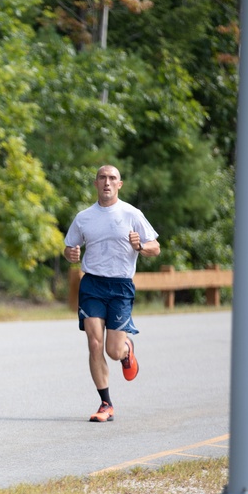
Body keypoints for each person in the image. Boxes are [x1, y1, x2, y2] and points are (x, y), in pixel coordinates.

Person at [63, 164, 160, 422]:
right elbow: (69, 247)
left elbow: (156, 247)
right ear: (95, 183)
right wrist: (70, 253)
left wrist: (141, 246)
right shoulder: (84, 217)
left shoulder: (131, 213)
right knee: (94, 343)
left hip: (120, 287)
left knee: (112, 351)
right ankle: (105, 403)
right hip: (92, 284)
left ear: (120, 184)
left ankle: (126, 350)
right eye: (102, 178)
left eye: (112, 178)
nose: (107, 182)